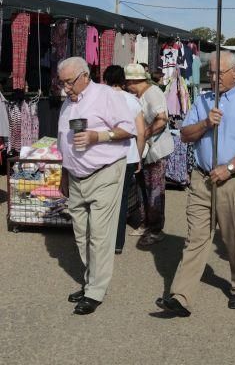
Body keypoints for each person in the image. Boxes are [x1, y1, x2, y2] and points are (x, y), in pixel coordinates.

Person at [155, 51, 235, 317]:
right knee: (196, 238)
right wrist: (206, 123)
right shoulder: (203, 101)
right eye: (211, 72)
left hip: (233, 180)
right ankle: (181, 296)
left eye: (219, 73)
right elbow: (185, 134)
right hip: (201, 179)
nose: (213, 77)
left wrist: (229, 168)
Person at [57, 57, 135, 315]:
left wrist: (97, 136)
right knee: (82, 234)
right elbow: (64, 141)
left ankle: (95, 291)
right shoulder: (68, 102)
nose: (65, 87)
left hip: (104, 173)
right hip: (76, 177)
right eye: (63, 82)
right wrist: (64, 174)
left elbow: (128, 129)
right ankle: (91, 279)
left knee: (100, 235)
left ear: (84, 76)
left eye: (69, 82)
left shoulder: (106, 95)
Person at [124, 63, 174, 247]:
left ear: (133, 81)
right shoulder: (140, 95)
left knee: (154, 189)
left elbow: (162, 119)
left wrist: (144, 134)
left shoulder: (153, 93)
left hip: (155, 150)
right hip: (145, 149)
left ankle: (155, 229)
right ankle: (146, 223)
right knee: (142, 187)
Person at [103, 65, 145, 253]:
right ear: (123, 80)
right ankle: (117, 243)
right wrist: (139, 155)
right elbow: (141, 132)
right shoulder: (133, 101)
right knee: (120, 201)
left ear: (105, 79)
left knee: (103, 200)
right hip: (128, 156)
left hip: (105, 155)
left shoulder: (100, 99)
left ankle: (101, 241)